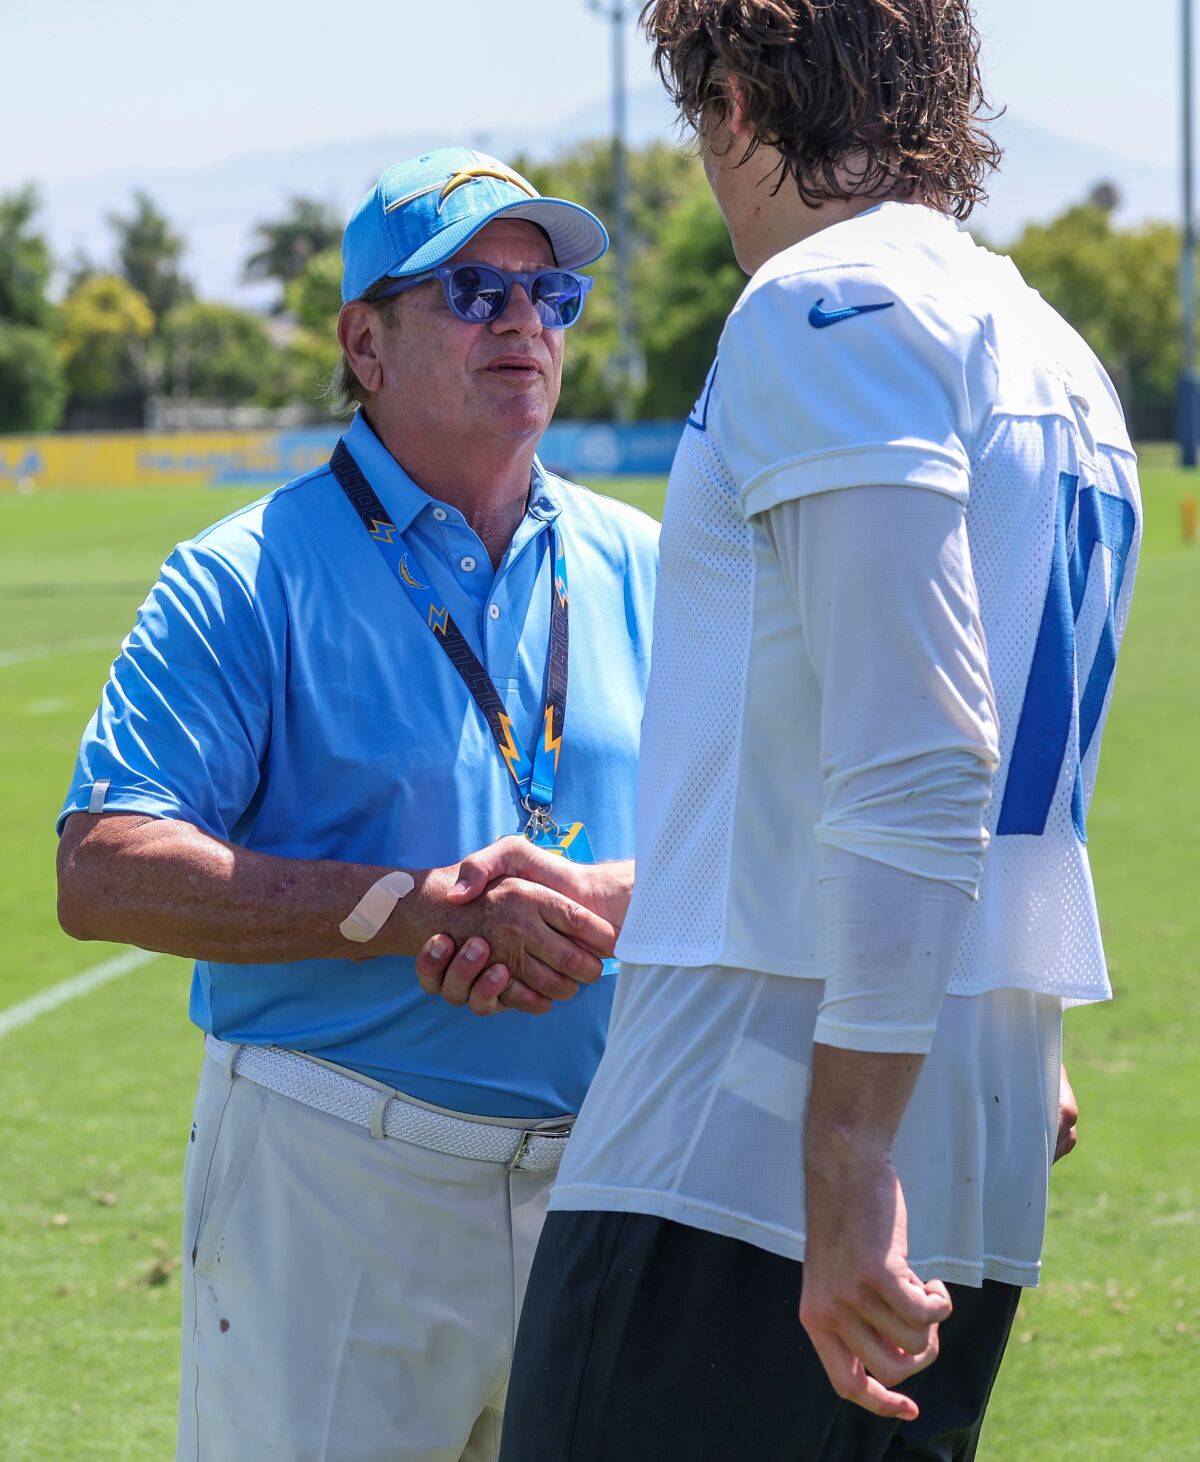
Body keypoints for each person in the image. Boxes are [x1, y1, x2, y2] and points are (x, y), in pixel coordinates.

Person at [418, 5, 1142, 1458]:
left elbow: (924, 751)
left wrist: (850, 1143)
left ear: (737, 106)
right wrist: (656, 892)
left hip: (758, 1145)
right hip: (965, 1132)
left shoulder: (827, 307)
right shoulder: (1056, 348)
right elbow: (963, 755)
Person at [54, 146, 659, 1462]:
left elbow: (762, 837)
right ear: (363, 343)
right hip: (336, 1186)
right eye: (473, 289)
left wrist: (606, 905)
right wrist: (409, 910)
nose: (522, 320)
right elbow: (101, 863)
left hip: (610, 1184)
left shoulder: (653, 564)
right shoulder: (240, 577)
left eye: (548, 295)